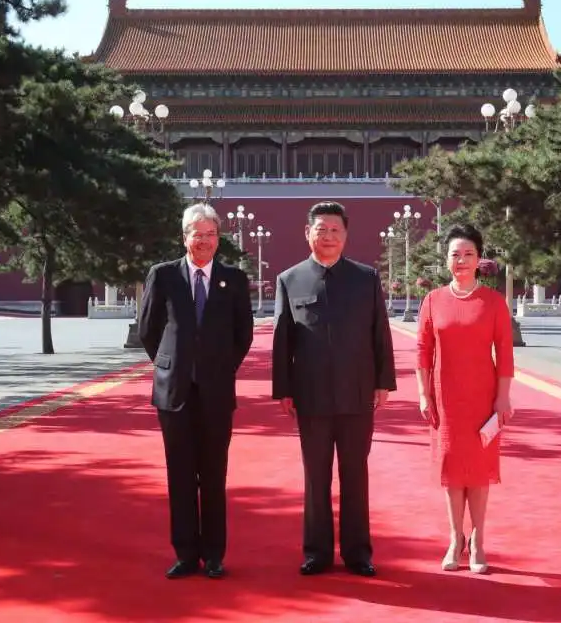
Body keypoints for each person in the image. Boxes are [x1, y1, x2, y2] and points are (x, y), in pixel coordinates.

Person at [272, 201, 396, 577]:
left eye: (335, 230)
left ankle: (358, 553)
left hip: (357, 394)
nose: (328, 236)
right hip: (311, 397)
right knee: (316, 475)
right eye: (321, 229)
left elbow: (380, 333)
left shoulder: (365, 278)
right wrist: (283, 389)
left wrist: (383, 382)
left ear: (346, 236)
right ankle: (317, 552)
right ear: (307, 233)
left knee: (355, 474)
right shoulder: (289, 280)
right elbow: (282, 341)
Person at [139, 203, 254, 580]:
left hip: (217, 393)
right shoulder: (163, 275)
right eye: (196, 234)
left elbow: (243, 335)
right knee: (181, 475)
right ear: (184, 237)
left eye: (210, 235)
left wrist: (217, 369)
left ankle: (215, 555)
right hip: (174, 394)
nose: (203, 242)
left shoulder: (234, 279)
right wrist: (173, 365)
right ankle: (186, 553)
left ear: (218, 238)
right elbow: (148, 330)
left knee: (213, 474)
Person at [415, 223, 514, 574]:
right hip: (446, 399)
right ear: (446, 260)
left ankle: (479, 541)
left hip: (483, 399)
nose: (461, 260)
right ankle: (456, 539)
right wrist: (423, 394)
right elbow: (423, 350)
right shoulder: (433, 300)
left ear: (479, 259)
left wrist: (503, 398)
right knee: (452, 471)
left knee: (479, 473)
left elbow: (504, 353)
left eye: (468, 254)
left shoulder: (493, 302)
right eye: (455, 254)